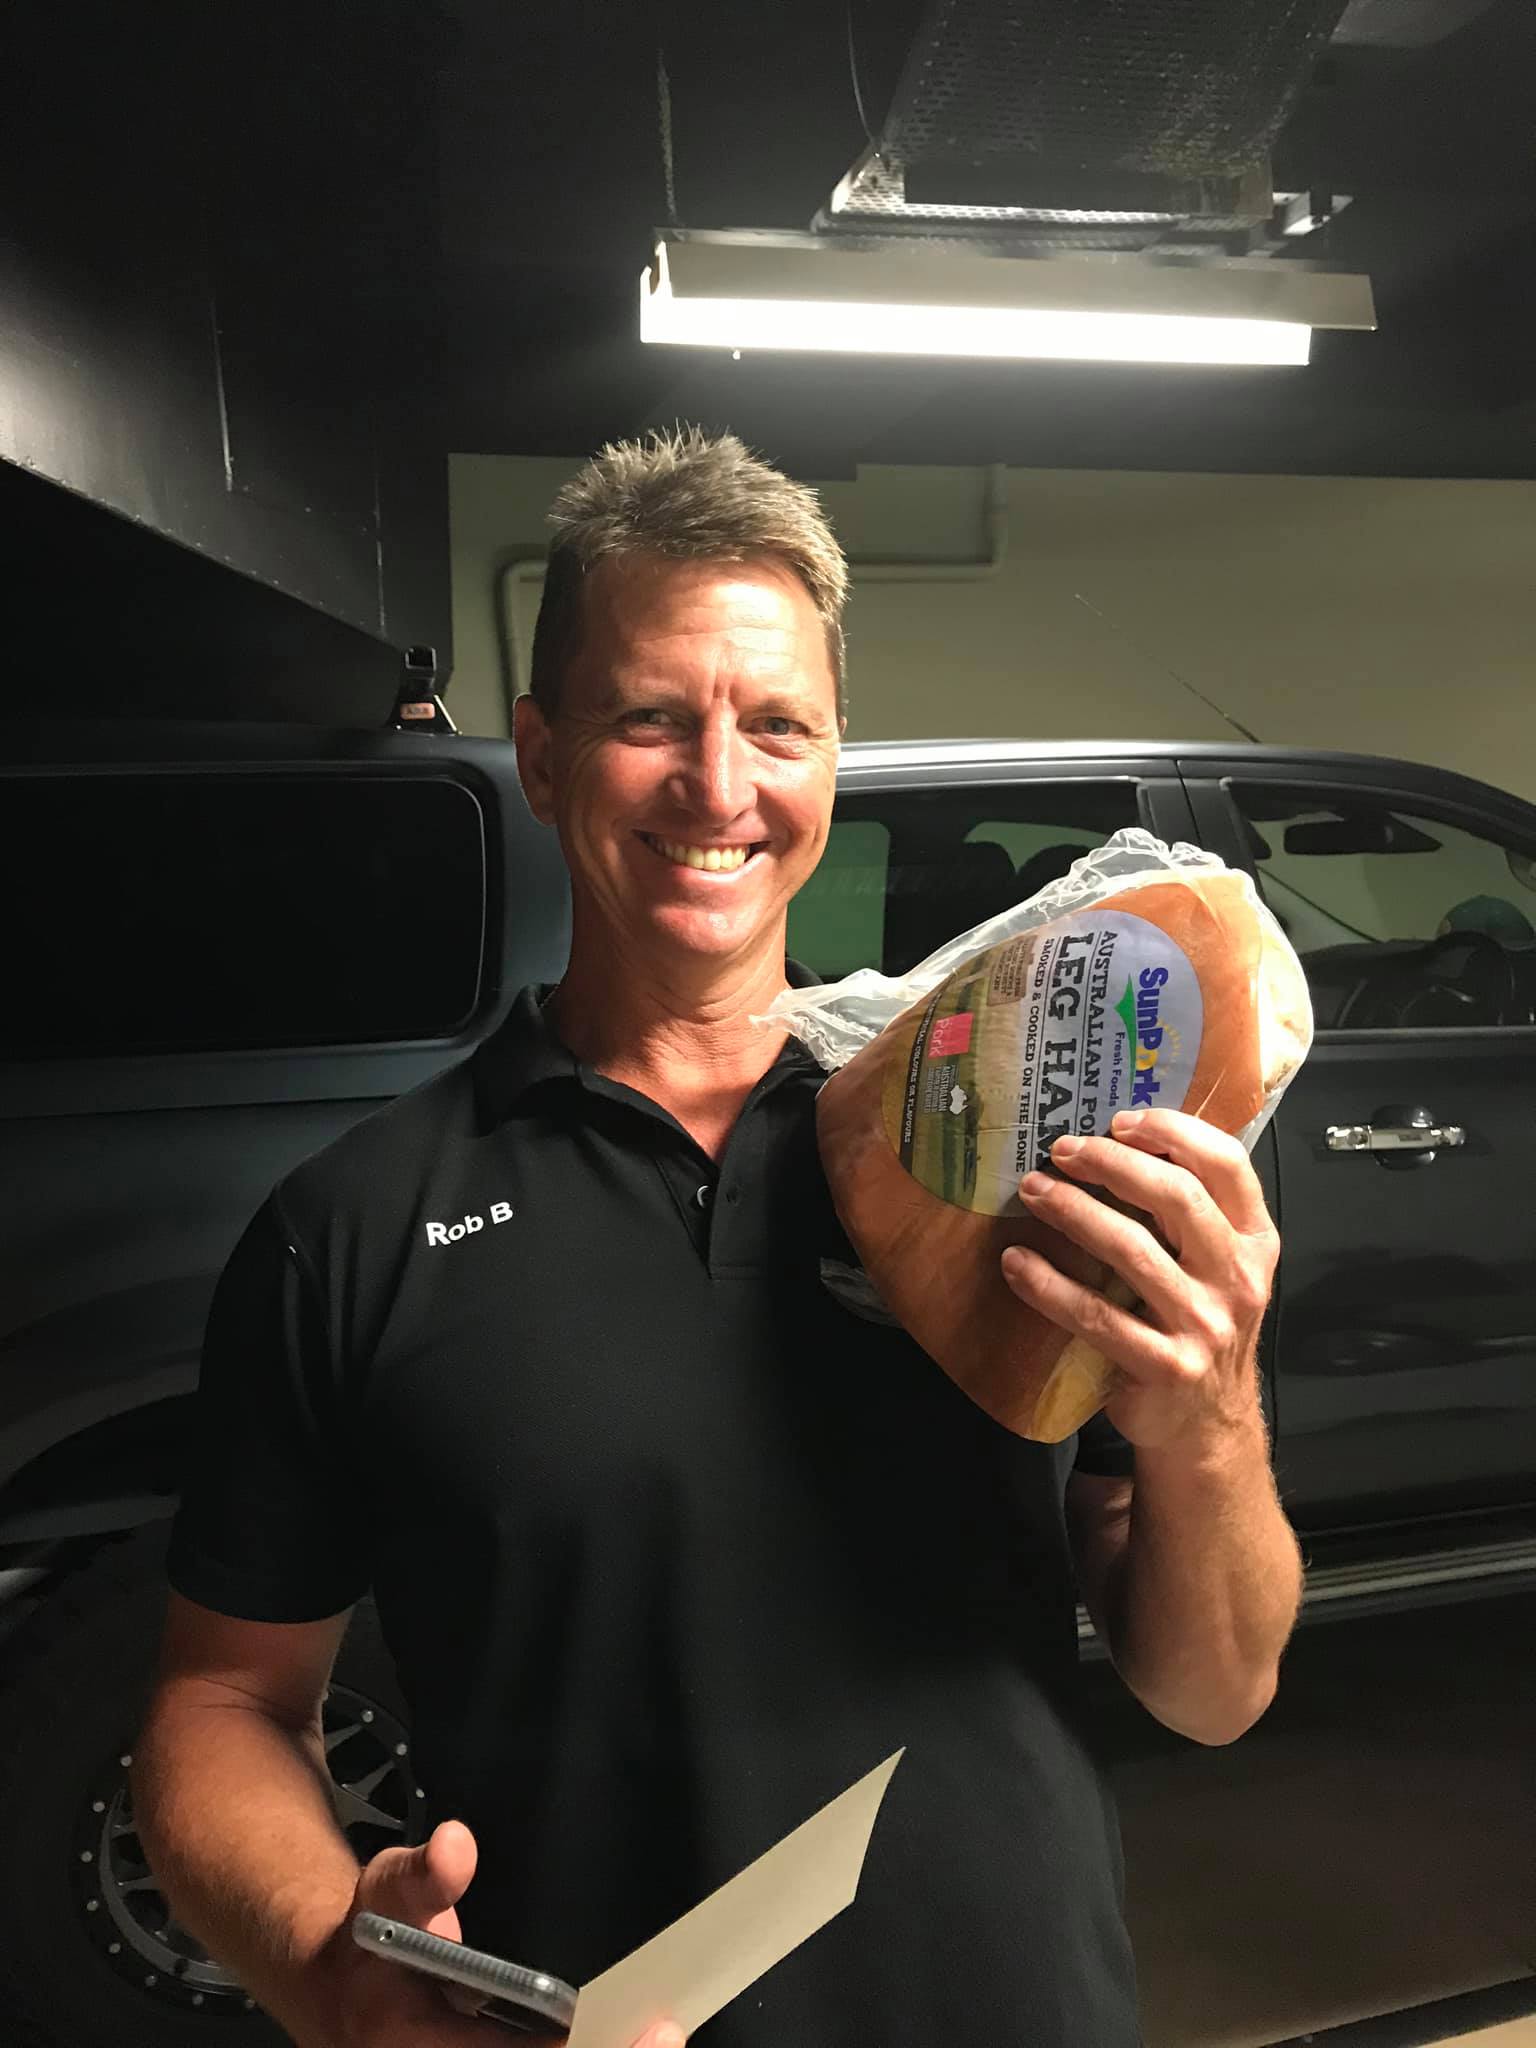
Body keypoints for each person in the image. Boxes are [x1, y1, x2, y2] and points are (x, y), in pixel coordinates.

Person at [133, 427, 1303, 2048]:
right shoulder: (352, 1229)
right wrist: (332, 1967)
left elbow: (1216, 1689)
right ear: (542, 755)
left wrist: (1209, 1421)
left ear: (832, 757)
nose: (721, 786)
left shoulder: (1013, 1158)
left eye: (777, 726)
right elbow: (221, 1703)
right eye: (649, 720)